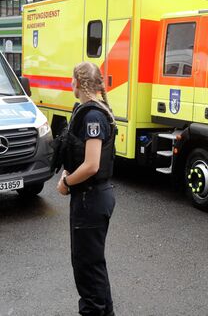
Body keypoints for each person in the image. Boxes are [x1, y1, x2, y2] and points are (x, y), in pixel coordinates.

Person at [56, 62, 117, 316]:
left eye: (72, 81)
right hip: (95, 197)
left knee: (86, 270)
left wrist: (66, 183)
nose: (71, 86)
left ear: (79, 84)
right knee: (94, 267)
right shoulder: (97, 110)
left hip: (89, 201)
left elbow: (92, 165)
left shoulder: (92, 116)